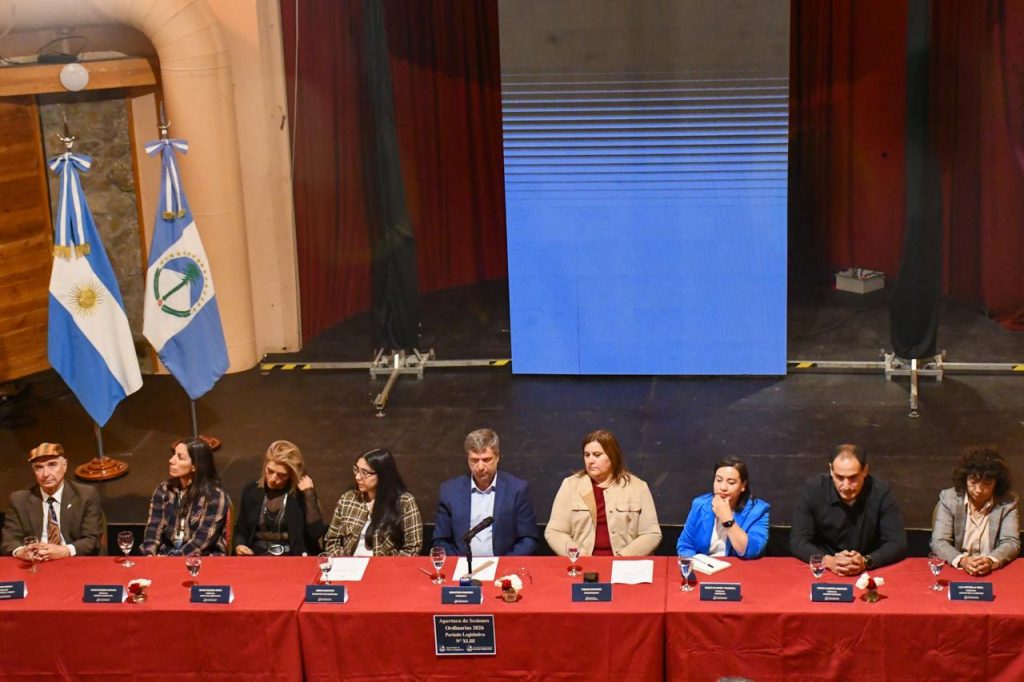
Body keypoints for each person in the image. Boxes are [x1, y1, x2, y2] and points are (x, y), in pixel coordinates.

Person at [790, 443, 907, 575]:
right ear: (831, 470)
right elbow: (798, 540)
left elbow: (898, 543)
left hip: (868, 572)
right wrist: (828, 561)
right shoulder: (812, 490)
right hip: (825, 571)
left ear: (865, 471)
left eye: (853, 478)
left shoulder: (881, 492)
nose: (846, 486)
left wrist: (866, 561)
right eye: (839, 477)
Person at [545, 429, 661, 556]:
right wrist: (577, 554)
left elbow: (651, 534)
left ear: (612, 456)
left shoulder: (638, 487)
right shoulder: (570, 486)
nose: (590, 460)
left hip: (625, 563)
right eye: (587, 455)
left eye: (597, 455)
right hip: (583, 562)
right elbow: (555, 532)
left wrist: (623, 558)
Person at [432, 428, 538, 556]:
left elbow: (528, 539)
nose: (480, 467)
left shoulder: (517, 490)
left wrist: (503, 564)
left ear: (497, 457)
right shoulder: (450, 491)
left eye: (486, 459)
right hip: (462, 565)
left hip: (504, 564)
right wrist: (460, 564)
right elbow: (440, 540)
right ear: (467, 459)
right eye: (474, 460)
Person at [1, 442, 104, 559]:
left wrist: (64, 550)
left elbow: (92, 539)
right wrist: (21, 552)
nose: (45, 474)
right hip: (36, 561)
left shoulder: (85, 495)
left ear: (64, 466)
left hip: (72, 560)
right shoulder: (19, 500)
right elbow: (9, 540)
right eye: (39, 467)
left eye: (52, 465)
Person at [930, 446, 1019, 576]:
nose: (978, 490)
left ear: (997, 483)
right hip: (957, 571)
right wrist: (962, 560)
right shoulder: (949, 499)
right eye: (973, 482)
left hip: (992, 571)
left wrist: (990, 560)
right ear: (965, 479)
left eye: (987, 484)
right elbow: (939, 541)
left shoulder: (1008, 502)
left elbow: (1011, 542)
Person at [234, 440, 326, 556]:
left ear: (291, 474)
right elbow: (241, 529)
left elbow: (315, 533)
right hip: (256, 555)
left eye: (282, 475)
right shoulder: (251, 491)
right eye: (270, 471)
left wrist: (309, 494)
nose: (273, 478)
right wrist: (239, 544)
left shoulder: (299, 495)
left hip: (291, 556)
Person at [324, 448, 423, 556]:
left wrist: (390, 565)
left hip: (386, 565)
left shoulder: (404, 502)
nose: (357, 477)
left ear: (382, 475)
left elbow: (413, 547)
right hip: (349, 563)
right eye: (356, 470)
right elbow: (332, 541)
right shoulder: (348, 499)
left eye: (364, 472)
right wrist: (344, 561)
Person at [141, 437, 230, 556]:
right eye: (174, 455)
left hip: (202, 558)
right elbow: (153, 528)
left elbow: (200, 542)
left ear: (194, 466)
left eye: (180, 457)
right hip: (167, 554)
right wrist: (149, 554)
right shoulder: (164, 490)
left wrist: (173, 560)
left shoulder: (215, 496)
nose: (171, 460)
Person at [677, 456, 770, 559]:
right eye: (719, 480)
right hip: (704, 565)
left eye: (731, 482)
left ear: (743, 485)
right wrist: (697, 563)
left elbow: (751, 552)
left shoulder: (758, 510)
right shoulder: (700, 504)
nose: (723, 487)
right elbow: (685, 546)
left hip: (739, 567)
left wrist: (727, 519)